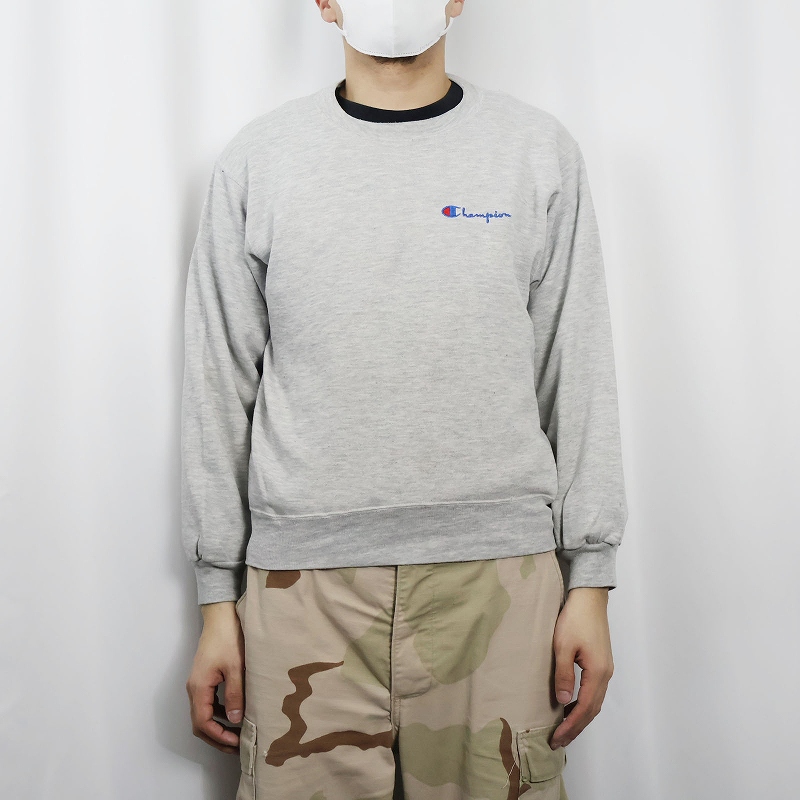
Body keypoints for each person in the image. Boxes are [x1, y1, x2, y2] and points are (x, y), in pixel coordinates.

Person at [181, 1, 629, 797]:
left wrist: (590, 581)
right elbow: (218, 384)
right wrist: (218, 602)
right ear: (323, 1)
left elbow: (577, 364)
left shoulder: (536, 151)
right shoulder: (260, 160)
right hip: (302, 590)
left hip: (497, 582)